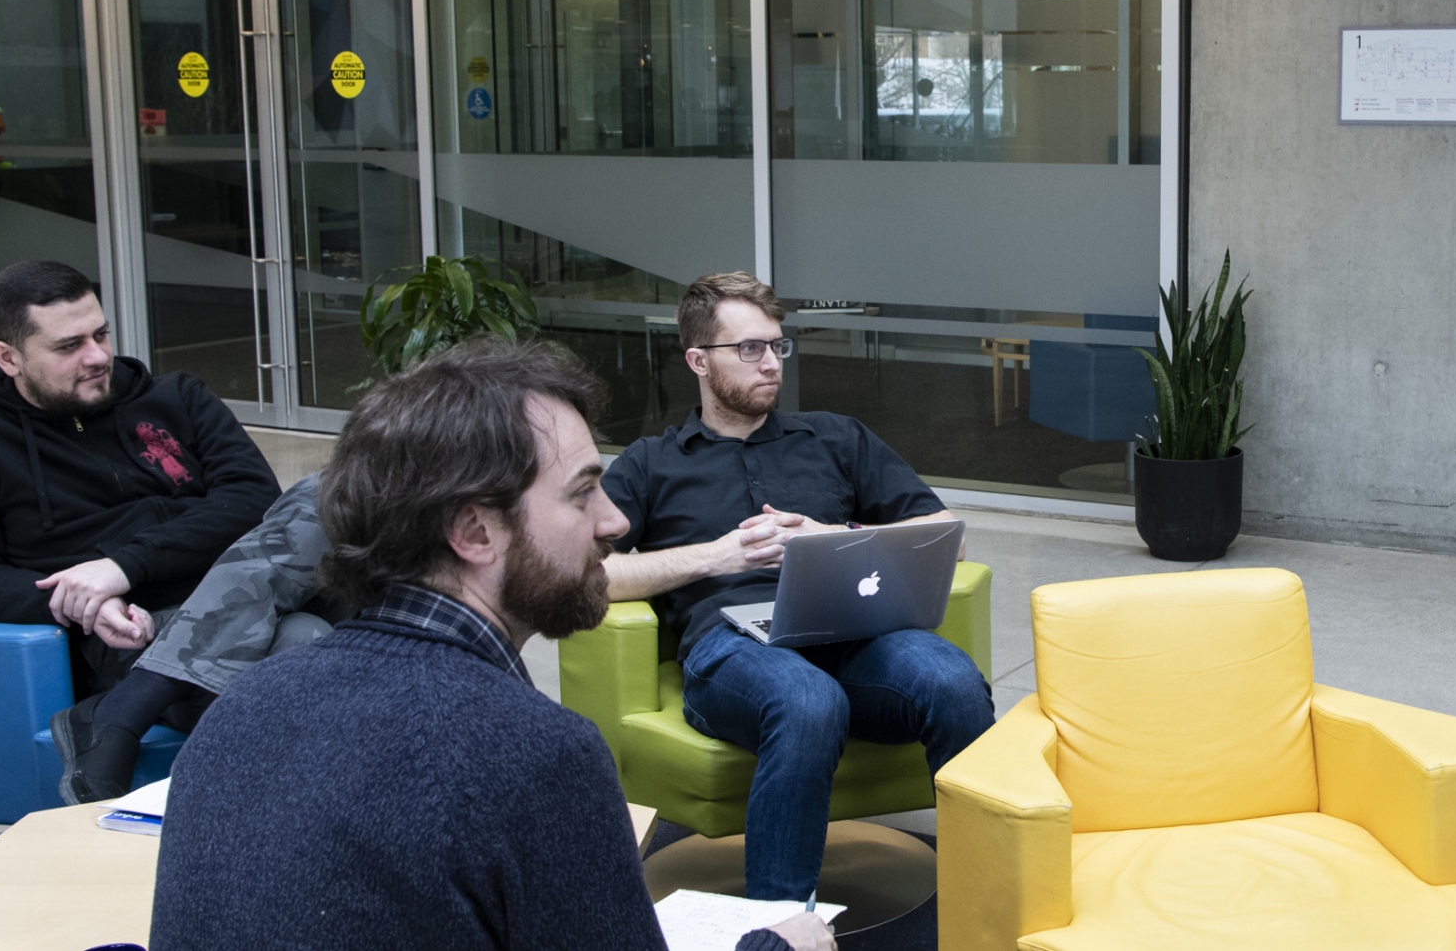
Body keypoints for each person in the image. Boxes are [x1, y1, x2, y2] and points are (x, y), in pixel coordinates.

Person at [151, 337, 830, 951]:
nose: (614, 520)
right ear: (475, 532)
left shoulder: (242, 706)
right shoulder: (536, 755)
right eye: (582, 493)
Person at [600, 271, 995, 902]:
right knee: (808, 700)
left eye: (777, 346)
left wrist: (833, 535)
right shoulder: (652, 463)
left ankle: (988, 895)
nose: (770, 363)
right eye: (749, 348)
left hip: (855, 635)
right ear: (698, 360)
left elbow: (948, 532)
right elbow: (590, 575)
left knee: (952, 680)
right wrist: (714, 555)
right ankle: (781, 923)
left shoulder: (835, 437)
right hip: (733, 651)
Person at [0, 260, 279, 802]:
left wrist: (121, 566)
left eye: (101, 334)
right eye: (69, 347)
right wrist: (78, 602)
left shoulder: (176, 397)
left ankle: (118, 715)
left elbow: (254, 501)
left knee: (321, 495)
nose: (98, 357)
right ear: (8, 357)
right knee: (307, 649)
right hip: (132, 631)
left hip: (246, 591)